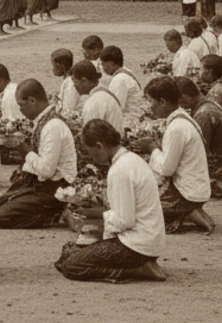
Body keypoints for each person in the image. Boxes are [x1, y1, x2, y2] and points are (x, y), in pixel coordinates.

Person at [54, 119, 167, 283]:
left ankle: (136, 270)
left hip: (135, 246)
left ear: (99, 146)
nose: (91, 158)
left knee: (72, 266)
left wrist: (97, 216)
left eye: (91, 152)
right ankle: (141, 265)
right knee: (68, 252)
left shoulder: (120, 170)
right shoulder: (131, 159)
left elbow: (124, 220)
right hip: (147, 242)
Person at [0, 79, 77, 229]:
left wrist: (25, 152)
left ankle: (55, 214)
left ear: (32, 101)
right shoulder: (44, 121)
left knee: (0, 218)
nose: (21, 111)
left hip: (56, 188)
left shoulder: (53, 126)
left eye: (22, 106)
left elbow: (47, 171)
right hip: (42, 183)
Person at [140, 76, 214, 233]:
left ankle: (189, 212)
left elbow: (167, 169)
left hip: (188, 192)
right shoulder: (182, 118)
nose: (149, 107)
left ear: (163, 102)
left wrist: (152, 148)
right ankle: (189, 211)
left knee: (141, 208)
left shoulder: (177, 127)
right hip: (195, 187)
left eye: (151, 102)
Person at [175, 77, 222, 199]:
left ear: (185, 97)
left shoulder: (204, 113)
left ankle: (212, 180)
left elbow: (197, 147)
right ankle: (216, 181)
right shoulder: (208, 104)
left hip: (217, 165)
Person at [71, 60, 124, 131]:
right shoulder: (104, 94)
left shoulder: (94, 102)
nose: (74, 86)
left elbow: (90, 136)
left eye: (75, 81)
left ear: (84, 80)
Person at [100, 45, 144, 126]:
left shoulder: (119, 79)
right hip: (136, 119)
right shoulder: (126, 73)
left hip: (129, 122)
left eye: (103, 64)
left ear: (111, 63)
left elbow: (115, 109)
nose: (103, 68)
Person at [51, 48, 80, 114]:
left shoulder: (70, 83)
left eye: (53, 65)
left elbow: (68, 110)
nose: (53, 69)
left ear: (60, 66)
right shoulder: (68, 80)